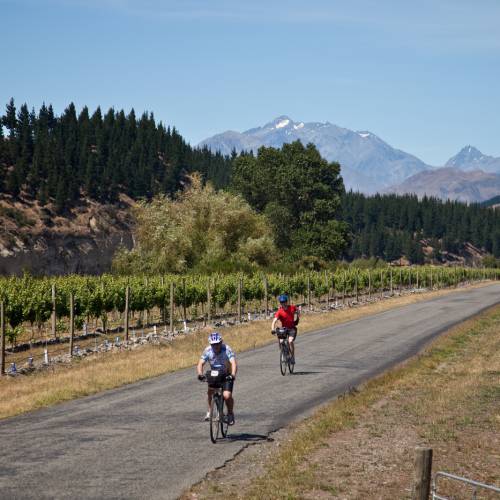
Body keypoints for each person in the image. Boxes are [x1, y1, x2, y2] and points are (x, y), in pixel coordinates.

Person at [197, 332, 237, 424]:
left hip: (227, 373)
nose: (216, 346)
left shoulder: (227, 349)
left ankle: (230, 413)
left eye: (217, 344)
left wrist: (233, 374)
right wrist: (200, 374)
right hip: (215, 374)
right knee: (210, 392)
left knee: (226, 395)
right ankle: (210, 412)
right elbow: (200, 363)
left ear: (221, 342)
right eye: (213, 344)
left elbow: (233, 363)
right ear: (210, 344)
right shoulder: (207, 350)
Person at [271, 294, 300, 363]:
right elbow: (274, 321)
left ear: (287, 302)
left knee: (290, 341)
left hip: (292, 329)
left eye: (284, 302)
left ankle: (292, 357)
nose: (283, 304)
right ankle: (283, 354)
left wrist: (297, 317)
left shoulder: (292, 308)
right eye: (281, 302)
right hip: (284, 329)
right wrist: (272, 329)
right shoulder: (279, 311)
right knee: (281, 341)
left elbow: (298, 310)